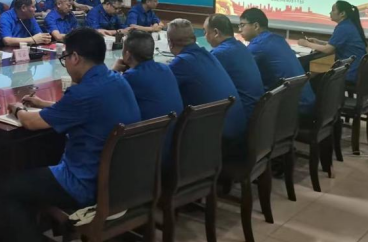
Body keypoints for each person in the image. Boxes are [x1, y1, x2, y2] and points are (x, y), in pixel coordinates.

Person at [1, 28, 141, 242]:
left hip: (84, 183)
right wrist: (44, 104)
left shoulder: (83, 93)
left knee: (9, 188)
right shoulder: (117, 80)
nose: (65, 63)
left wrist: (17, 108)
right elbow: (78, 110)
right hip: (120, 181)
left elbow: (31, 123)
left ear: (75, 57)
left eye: (65, 57)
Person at [167, 18, 247, 146]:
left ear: (170, 43)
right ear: (194, 39)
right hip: (238, 131)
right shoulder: (208, 54)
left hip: (220, 141)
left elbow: (161, 88)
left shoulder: (181, 62)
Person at [240, 8, 315, 114]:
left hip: (293, 110)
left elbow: (241, 72)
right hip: (305, 103)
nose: (240, 29)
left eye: (242, 25)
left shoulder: (258, 46)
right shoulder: (278, 39)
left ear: (256, 26)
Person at [203, 14, 264, 122]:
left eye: (205, 32)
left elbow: (203, 83)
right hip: (255, 113)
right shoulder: (241, 47)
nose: (205, 36)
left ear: (216, 32)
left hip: (241, 116)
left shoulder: (219, 54)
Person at [112, 29, 183, 122]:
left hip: (152, 130)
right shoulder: (165, 68)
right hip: (175, 128)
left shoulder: (131, 77)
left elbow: (108, 94)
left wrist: (114, 71)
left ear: (127, 55)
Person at [298, 0, 367, 83]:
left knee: (310, 81)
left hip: (348, 74)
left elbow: (328, 49)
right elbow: (335, 45)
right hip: (354, 71)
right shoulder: (348, 24)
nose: (330, 13)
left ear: (342, 13)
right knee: (315, 78)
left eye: (333, 10)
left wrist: (306, 43)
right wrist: (318, 42)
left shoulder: (343, 28)